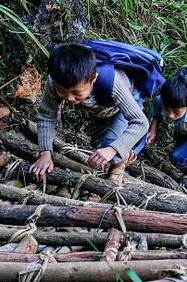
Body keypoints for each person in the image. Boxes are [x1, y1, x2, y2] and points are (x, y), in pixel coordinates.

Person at [30, 43, 150, 185]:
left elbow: (141, 122)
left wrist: (113, 149)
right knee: (98, 146)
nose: (69, 98)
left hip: (127, 105)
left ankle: (121, 163)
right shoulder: (56, 81)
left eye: (76, 93)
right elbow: (46, 116)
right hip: (103, 109)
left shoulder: (112, 83)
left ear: (93, 79)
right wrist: (45, 154)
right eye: (62, 91)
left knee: (109, 147)